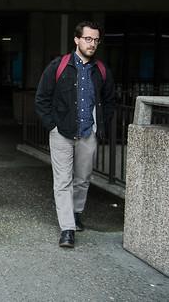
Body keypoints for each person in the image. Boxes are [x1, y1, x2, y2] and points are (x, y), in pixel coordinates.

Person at [35, 21, 115, 249]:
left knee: (82, 179)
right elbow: (42, 99)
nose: (92, 44)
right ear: (77, 40)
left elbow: (109, 101)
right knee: (62, 182)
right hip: (61, 133)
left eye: (96, 40)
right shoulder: (58, 66)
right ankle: (67, 229)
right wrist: (52, 126)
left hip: (88, 133)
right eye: (88, 39)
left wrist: (101, 125)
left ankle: (77, 212)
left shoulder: (101, 70)